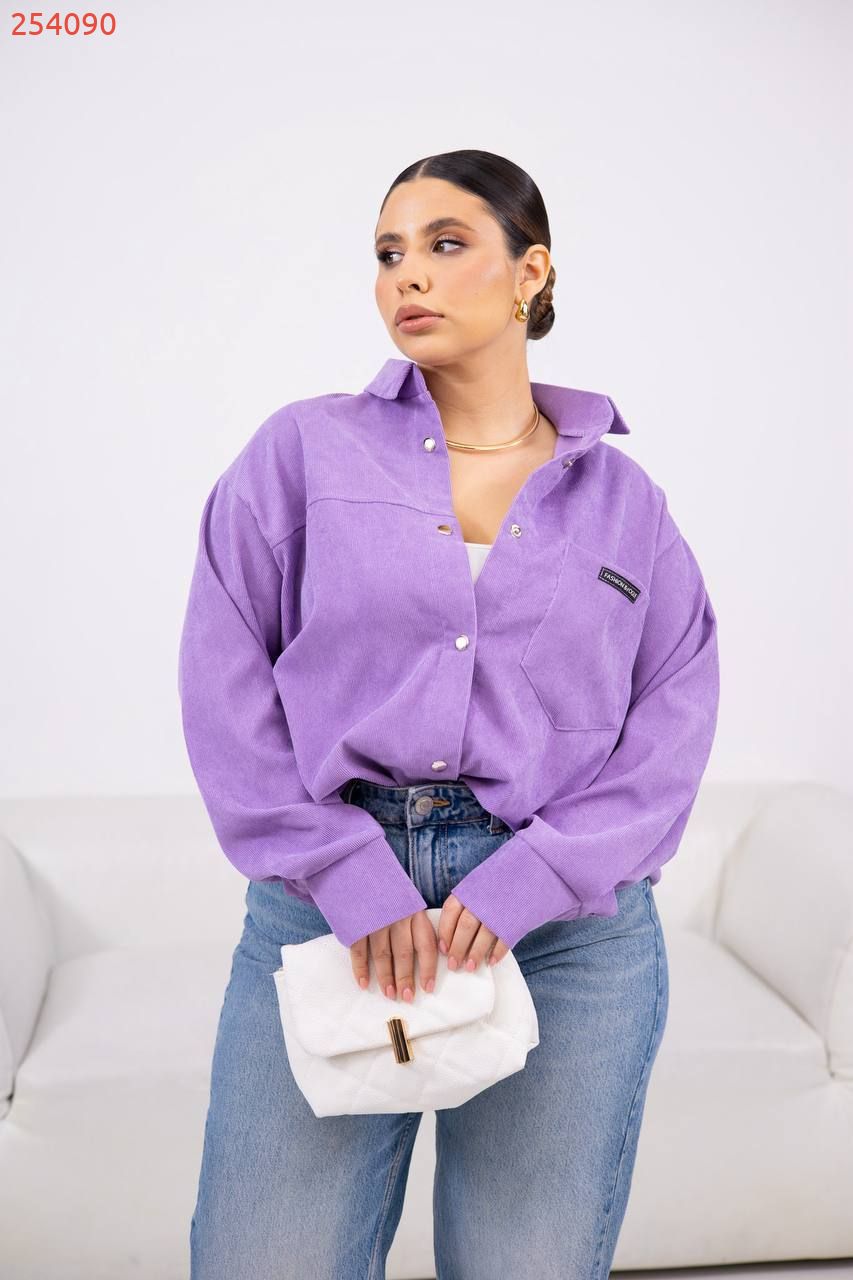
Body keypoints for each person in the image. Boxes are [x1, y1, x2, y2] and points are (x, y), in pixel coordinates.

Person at [178, 148, 720, 1280]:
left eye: (444, 243)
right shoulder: (304, 451)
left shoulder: (626, 503)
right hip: (325, 910)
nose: (406, 276)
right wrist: (344, 868)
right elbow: (224, 677)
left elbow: (673, 714)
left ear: (532, 272)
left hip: (568, 937)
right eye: (388, 253)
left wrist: (536, 876)